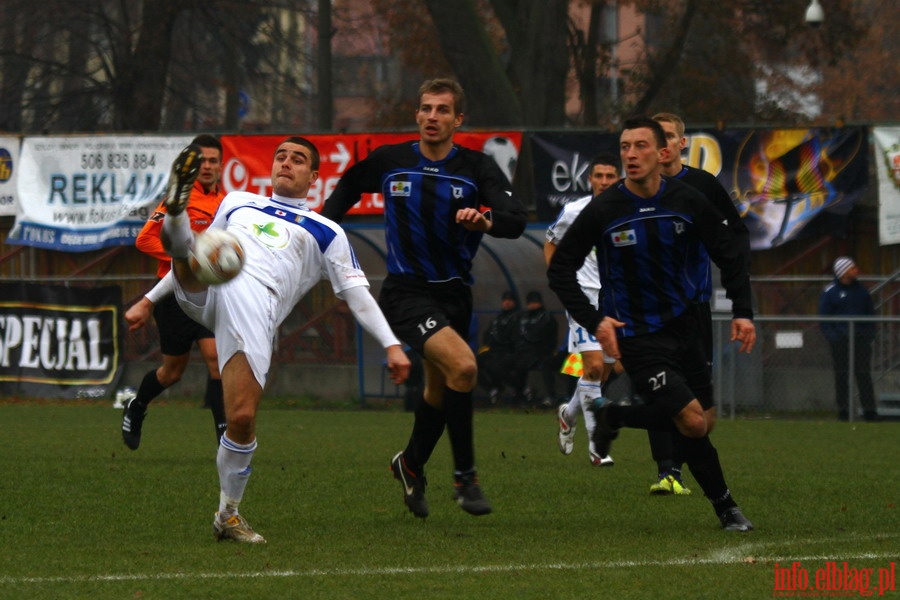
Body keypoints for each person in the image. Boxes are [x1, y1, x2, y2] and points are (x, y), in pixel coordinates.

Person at [126, 138, 410, 543]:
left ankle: (228, 513)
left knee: (241, 419)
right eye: (281, 156)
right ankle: (176, 209)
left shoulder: (326, 231)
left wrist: (391, 344)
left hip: (257, 310)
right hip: (213, 289)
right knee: (191, 248)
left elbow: (356, 295)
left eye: (298, 159)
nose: (286, 163)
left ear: (314, 177)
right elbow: (205, 254)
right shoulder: (239, 202)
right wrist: (149, 300)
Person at [322, 78, 527, 518]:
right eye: (426, 109)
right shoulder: (392, 160)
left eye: (442, 110)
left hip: (455, 294)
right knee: (465, 366)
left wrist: (485, 222)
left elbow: (515, 220)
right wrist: (318, 234)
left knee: (440, 388)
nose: (432, 116)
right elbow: (347, 188)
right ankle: (466, 478)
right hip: (406, 292)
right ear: (417, 116)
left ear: (458, 119)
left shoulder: (476, 167)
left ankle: (411, 464)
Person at [547, 117, 757, 532]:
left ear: (662, 152)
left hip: (687, 324)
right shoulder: (604, 209)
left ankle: (615, 417)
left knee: (704, 420)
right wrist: (595, 321)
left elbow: (730, 253)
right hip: (636, 332)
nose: (630, 154)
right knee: (692, 421)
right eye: (625, 146)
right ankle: (727, 508)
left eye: (640, 146)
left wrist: (742, 312)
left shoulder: (689, 199)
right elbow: (561, 270)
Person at [638, 112, 752, 495]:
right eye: (657, 137)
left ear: (681, 143)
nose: (664, 144)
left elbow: (735, 240)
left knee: (700, 408)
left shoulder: (702, 186)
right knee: (658, 389)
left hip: (694, 306)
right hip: (647, 312)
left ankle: (683, 461)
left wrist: (742, 309)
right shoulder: (632, 190)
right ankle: (668, 471)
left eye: (669, 136)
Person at [122, 134, 227, 450]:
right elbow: (144, 240)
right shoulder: (176, 201)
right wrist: (185, 261)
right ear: (190, 165)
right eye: (201, 161)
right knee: (171, 373)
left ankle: (226, 437)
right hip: (173, 297)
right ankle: (137, 406)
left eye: (213, 161)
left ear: (221, 165)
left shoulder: (227, 202)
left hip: (209, 295)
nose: (207, 167)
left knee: (217, 359)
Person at [545, 152, 620, 466]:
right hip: (583, 297)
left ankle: (569, 412)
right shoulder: (575, 211)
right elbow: (551, 241)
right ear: (590, 179)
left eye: (609, 177)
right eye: (598, 176)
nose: (603, 182)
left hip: (616, 298)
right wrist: (559, 280)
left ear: (619, 179)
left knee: (607, 370)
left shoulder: (626, 210)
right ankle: (597, 447)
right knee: (590, 367)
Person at [819, 256, 878, 421]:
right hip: (840, 342)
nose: (856, 270)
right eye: (852, 268)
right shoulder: (830, 291)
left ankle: (870, 412)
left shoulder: (862, 291)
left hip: (860, 341)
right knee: (841, 376)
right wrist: (834, 338)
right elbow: (824, 319)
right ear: (843, 272)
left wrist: (868, 336)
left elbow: (870, 315)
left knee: (863, 375)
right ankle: (844, 412)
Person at [508, 291, 559, 407]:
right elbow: (515, 336)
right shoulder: (523, 317)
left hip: (542, 353)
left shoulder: (546, 317)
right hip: (523, 353)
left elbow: (542, 337)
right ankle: (522, 393)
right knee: (506, 363)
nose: (532, 305)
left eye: (535, 302)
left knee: (525, 365)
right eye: (530, 302)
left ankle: (550, 397)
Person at [477, 291, 520, 405]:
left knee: (495, 366)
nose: (507, 302)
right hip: (493, 351)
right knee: (473, 364)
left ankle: (521, 388)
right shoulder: (498, 319)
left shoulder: (517, 318)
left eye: (510, 300)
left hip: (508, 352)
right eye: (505, 300)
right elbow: (487, 335)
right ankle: (494, 389)